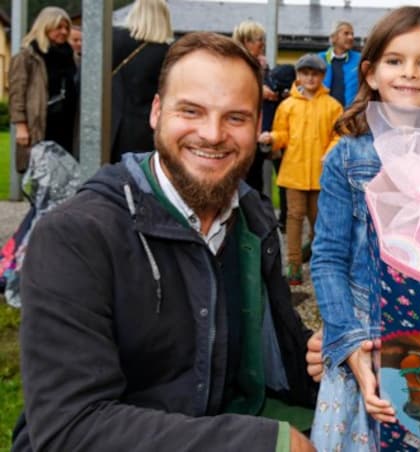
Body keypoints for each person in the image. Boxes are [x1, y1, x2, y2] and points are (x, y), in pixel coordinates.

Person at [12, 32, 317, 452]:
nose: (212, 134)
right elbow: (68, 429)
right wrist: (262, 442)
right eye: (191, 110)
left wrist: (332, 356)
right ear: (156, 112)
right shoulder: (75, 236)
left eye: (235, 117)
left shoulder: (253, 218)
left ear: (258, 126)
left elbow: (275, 350)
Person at [309, 7, 420, 451]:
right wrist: (351, 344)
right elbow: (327, 259)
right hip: (365, 336)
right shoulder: (345, 157)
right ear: (372, 73)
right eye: (395, 60)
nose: (410, 73)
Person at [259, 53, 342, 285]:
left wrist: (332, 150)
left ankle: (317, 257)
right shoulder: (287, 106)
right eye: (305, 73)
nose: (310, 78)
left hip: (320, 175)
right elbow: (282, 133)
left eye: (314, 74)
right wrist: (272, 138)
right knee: (294, 218)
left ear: (322, 77)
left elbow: (339, 135)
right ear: (298, 76)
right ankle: (294, 264)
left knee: (319, 221)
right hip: (294, 173)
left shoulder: (333, 106)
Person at [9, 6, 78, 170]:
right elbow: (17, 94)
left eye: (66, 27)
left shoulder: (71, 57)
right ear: (45, 27)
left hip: (68, 124)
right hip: (41, 125)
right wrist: (21, 127)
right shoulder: (27, 56)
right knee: (41, 175)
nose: (63, 31)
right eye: (58, 27)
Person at [110, 0, 172, 163]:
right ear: (163, 18)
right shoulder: (166, 53)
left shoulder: (111, 41)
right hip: (144, 132)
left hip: (107, 125)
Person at [232, 20, 280, 195]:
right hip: (243, 129)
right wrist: (259, 90)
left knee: (255, 180)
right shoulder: (235, 64)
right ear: (245, 41)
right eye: (258, 39)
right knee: (243, 179)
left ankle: (255, 218)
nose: (263, 43)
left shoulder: (262, 66)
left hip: (260, 131)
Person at [318, 21, 361, 108]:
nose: (351, 37)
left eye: (352, 34)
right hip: (325, 111)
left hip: (350, 113)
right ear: (334, 37)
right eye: (346, 33)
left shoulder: (359, 59)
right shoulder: (320, 58)